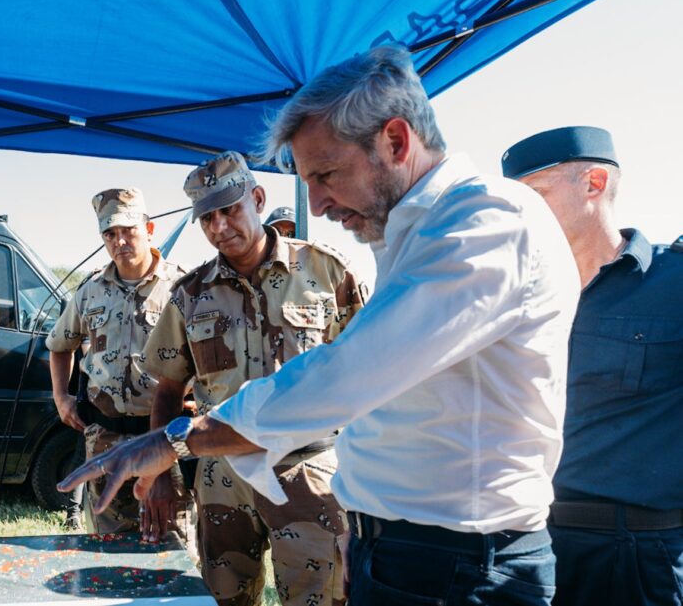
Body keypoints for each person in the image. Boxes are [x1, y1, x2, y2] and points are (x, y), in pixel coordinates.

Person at [60, 44, 580, 606]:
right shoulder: (408, 235)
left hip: (460, 562)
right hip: (399, 545)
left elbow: (348, 374)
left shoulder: (484, 225)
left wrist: (180, 439)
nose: (318, 202)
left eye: (327, 173)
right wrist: (364, 537)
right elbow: (389, 410)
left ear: (396, 141)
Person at [142, 151, 366, 606]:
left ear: (258, 199)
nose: (219, 227)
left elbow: (373, 374)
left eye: (230, 210)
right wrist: (163, 472)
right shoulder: (190, 294)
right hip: (223, 479)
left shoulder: (327, 273)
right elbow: (167, 390)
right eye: (207, 218)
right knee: (224, 599)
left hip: (309, 472)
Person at [502, 126, 683, 606]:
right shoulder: (508, 295)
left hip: (637, 556)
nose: (521, 213)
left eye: (536, 194)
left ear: (595, 183)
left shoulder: (676, 284)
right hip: (517, 548)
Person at [45, 188, 194, 542]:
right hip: (105, 437)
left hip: (165, 437)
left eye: (128, 230)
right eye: (110, 234)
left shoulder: (182, 287)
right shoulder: (90, 290)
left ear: (149, 229)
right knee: (108, 543)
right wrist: (60, 398)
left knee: (173, 541)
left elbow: (206, 354)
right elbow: (59, 345)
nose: (120, 241)